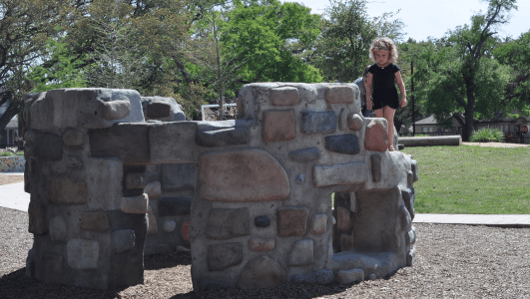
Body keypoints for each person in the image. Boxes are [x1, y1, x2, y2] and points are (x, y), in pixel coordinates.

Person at [365, 37, 407, 151]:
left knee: (388, 119)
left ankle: (390, 144)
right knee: (380, 121)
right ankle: (382, 143)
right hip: (378, 96)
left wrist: (404, 97)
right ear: (374, 55)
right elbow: (369, 85)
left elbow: (400, 82)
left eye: (383, 56)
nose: (380, 58)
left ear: (390, 54)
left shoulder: (393, 67)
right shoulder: (372, 69)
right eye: (378, 56)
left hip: (391, 96)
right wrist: (368, 99)